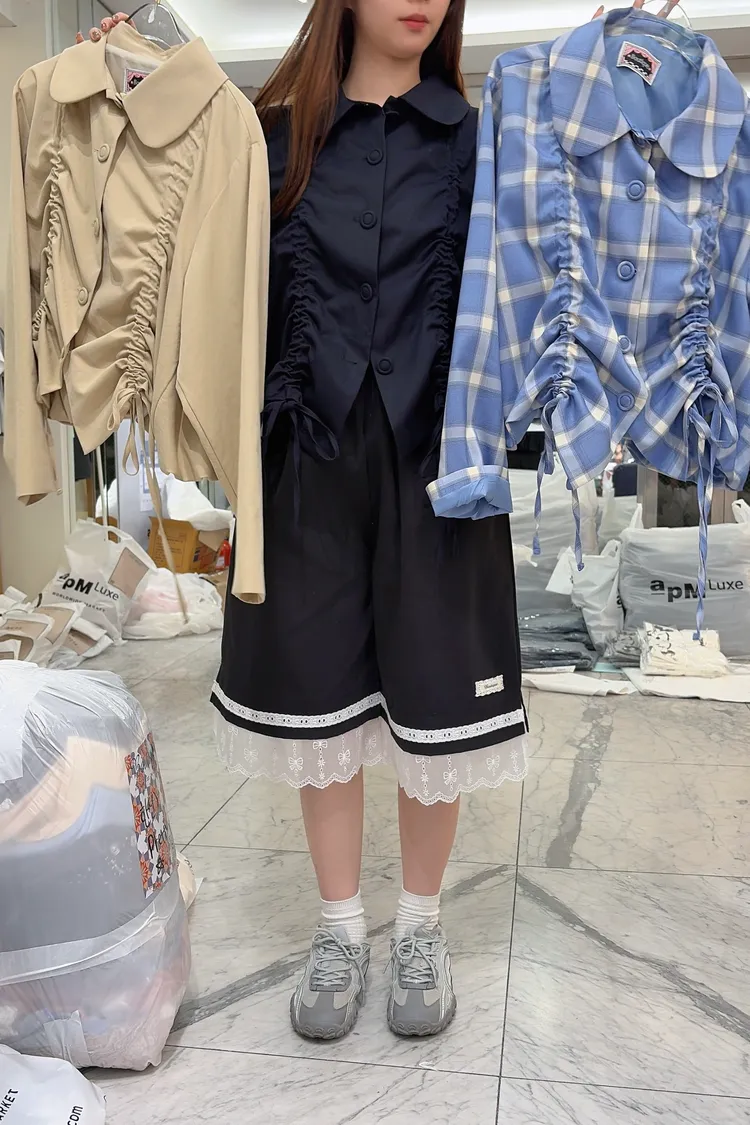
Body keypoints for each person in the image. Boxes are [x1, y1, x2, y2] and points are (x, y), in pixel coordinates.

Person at [82, 0, 676, 1046]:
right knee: (319, 702)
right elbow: (170, 222)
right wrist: (132, 77)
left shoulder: (487, 142)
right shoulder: (267, 140)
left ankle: (420, 926)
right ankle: (339, 927)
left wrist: (607, 90)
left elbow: (570, 249)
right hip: (304, 464)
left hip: (440, 470)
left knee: (439, 700)